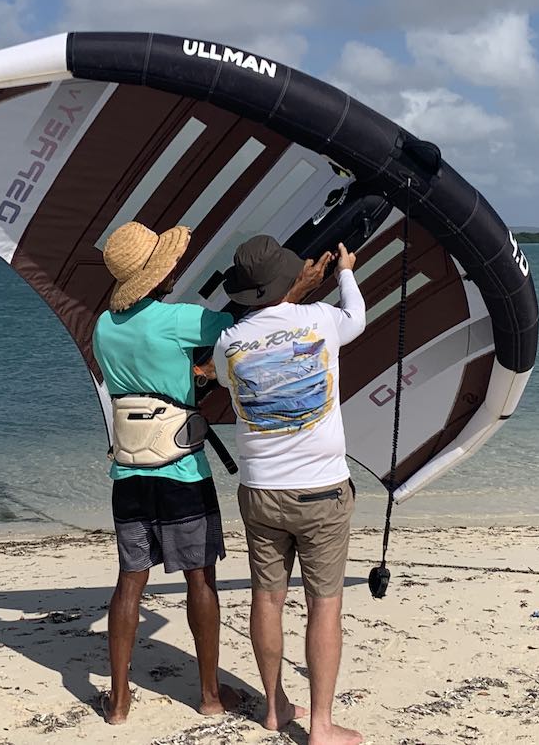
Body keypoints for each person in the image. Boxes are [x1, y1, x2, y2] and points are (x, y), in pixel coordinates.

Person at [212, 235, 366, 745]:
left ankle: (275, 706)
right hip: (320, 489)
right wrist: (344, 271)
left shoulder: (228, 343)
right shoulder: (319, 319)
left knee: (268, 598)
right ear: (288, 281)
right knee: (324, 605)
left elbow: (235, 374)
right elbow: (357, 317)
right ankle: (320, 726)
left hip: (259, 491)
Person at [92, 221, 241, 724]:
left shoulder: (103, 326)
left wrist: (188, 372)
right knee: (200, 579)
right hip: (181, 471)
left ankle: (118, 701)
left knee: (130, 581)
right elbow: (239, 332)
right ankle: (209, 695)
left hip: (129, 474)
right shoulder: (178, 319)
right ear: (156, 274)